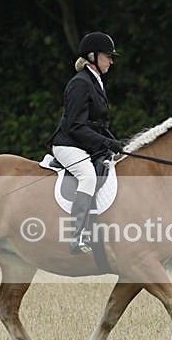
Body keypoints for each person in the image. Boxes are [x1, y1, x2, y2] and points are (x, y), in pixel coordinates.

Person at [48, 31, 126, 254]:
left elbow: (98, 124)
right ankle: (77, 235)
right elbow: (75, 125)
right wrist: (105, 142)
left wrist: (115, 144)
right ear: (92, 56)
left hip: (83, 144)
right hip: (68, 144)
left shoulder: (95, 82)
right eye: (107, 56)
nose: (111, 61)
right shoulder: (80, 83)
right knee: (88, 176)